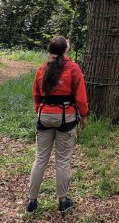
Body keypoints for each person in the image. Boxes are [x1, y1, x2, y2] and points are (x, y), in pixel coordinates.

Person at [26, 35, 88, 214]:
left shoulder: (41, 68)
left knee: (40, 159)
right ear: (66, 50)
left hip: (44, 115)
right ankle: (63, 201)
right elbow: (80, 97)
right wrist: (83, 115)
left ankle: (31, 201)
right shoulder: (73, 69)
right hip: (65, 117)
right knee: (62, 160)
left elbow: (36, 94)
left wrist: (39, 110)